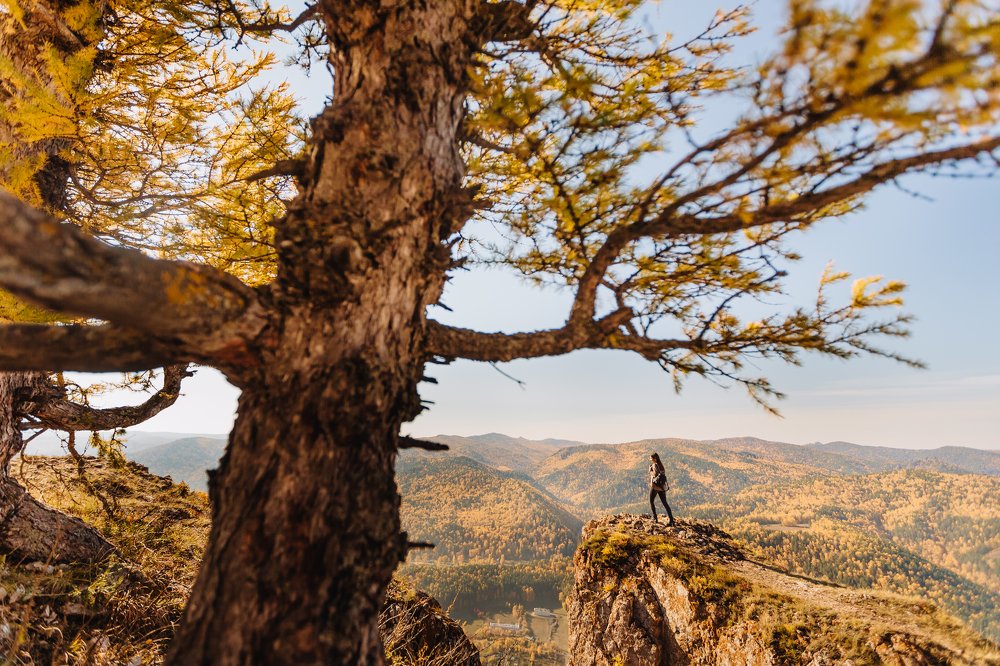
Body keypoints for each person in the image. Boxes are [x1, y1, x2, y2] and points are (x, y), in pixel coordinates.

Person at [648, 453, 675, 526]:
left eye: (651, 458)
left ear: (655, 459)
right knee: (665, 503)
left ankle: (655, 518)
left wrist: (650, 469)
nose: (650, 459)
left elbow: (654, 476)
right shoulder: (661, 465)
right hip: (661, 487)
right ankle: (671, 520)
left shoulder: (654, 465)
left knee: (651, 501)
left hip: (655, 486)